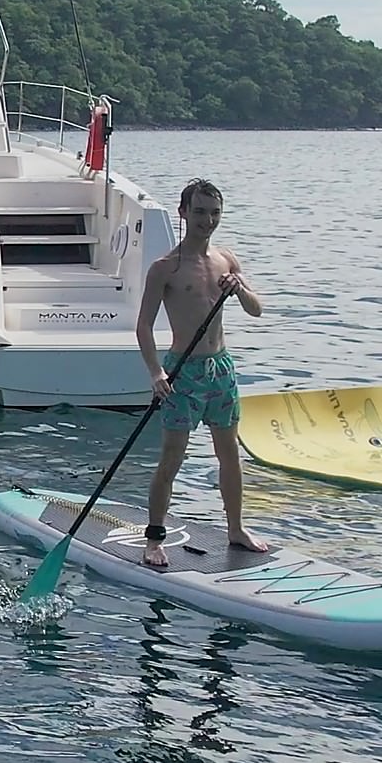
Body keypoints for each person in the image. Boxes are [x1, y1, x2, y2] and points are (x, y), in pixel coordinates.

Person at [134, 178, 269, 564]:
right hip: (183, 373)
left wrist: (239, 288)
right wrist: (156, 373)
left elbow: (256, 309)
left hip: (221, 369)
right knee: (172, 457)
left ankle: (236, 529)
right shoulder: (166, 268)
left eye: (214, 213)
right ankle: (155, 538)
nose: (206, 221)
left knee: (229, 455)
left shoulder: (226, 260)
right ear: (183, 213)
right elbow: (143, 325)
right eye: (199, 212)